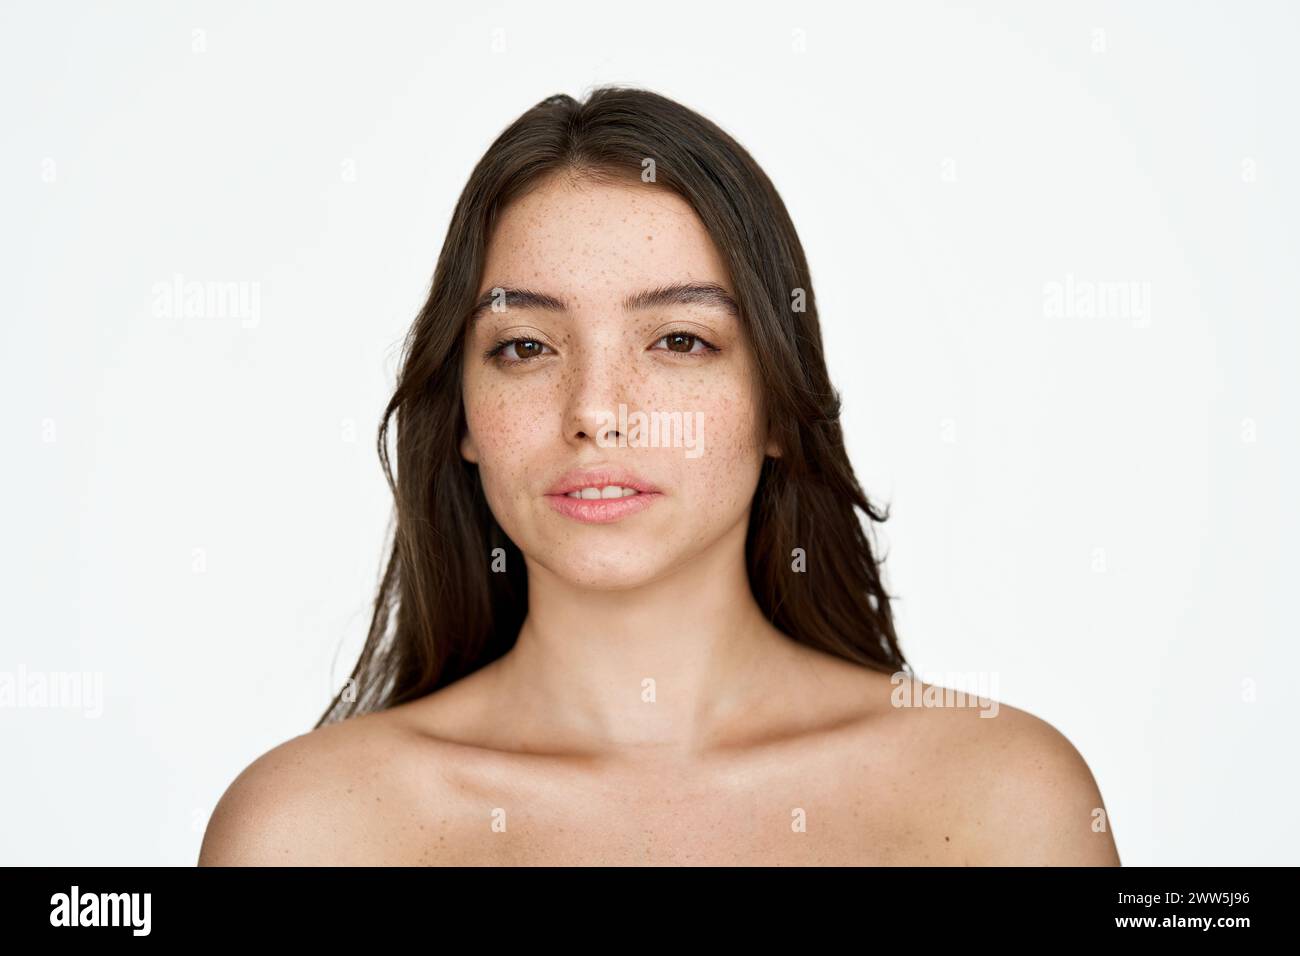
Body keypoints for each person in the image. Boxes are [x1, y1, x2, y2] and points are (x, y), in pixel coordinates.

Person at [199, 86, 1120, 866]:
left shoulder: (1002, 806)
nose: (596, 410)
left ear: (775, 406)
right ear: (466, 418)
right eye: (525, 346)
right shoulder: (309, 832)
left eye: (680, 340)